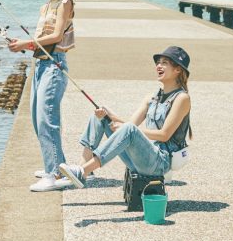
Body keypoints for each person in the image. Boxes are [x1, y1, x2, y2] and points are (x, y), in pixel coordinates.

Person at [60, 46, 192, 188]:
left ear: (178, 69)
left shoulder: (182, 98)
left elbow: (164, 135)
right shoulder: (152, 98)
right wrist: (112, 116)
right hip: (141, 157)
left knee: (128, 128)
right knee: (101, 117)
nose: (158, 66)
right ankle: (83, 167)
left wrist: (126, 127)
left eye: (164, 63)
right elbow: (130, 126)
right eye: (158, 63)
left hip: (160, 162)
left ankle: (83, 171)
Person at [8, 0, 75, 191]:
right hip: (40, 65)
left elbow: (56, 36)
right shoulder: (45, 6)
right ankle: (57, 165)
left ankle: (55, 174)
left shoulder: (66, 3)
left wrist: (26, 43)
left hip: (55, 66)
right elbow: (41, 42)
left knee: (48, 121)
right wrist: (22, 45)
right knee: (38, 121)